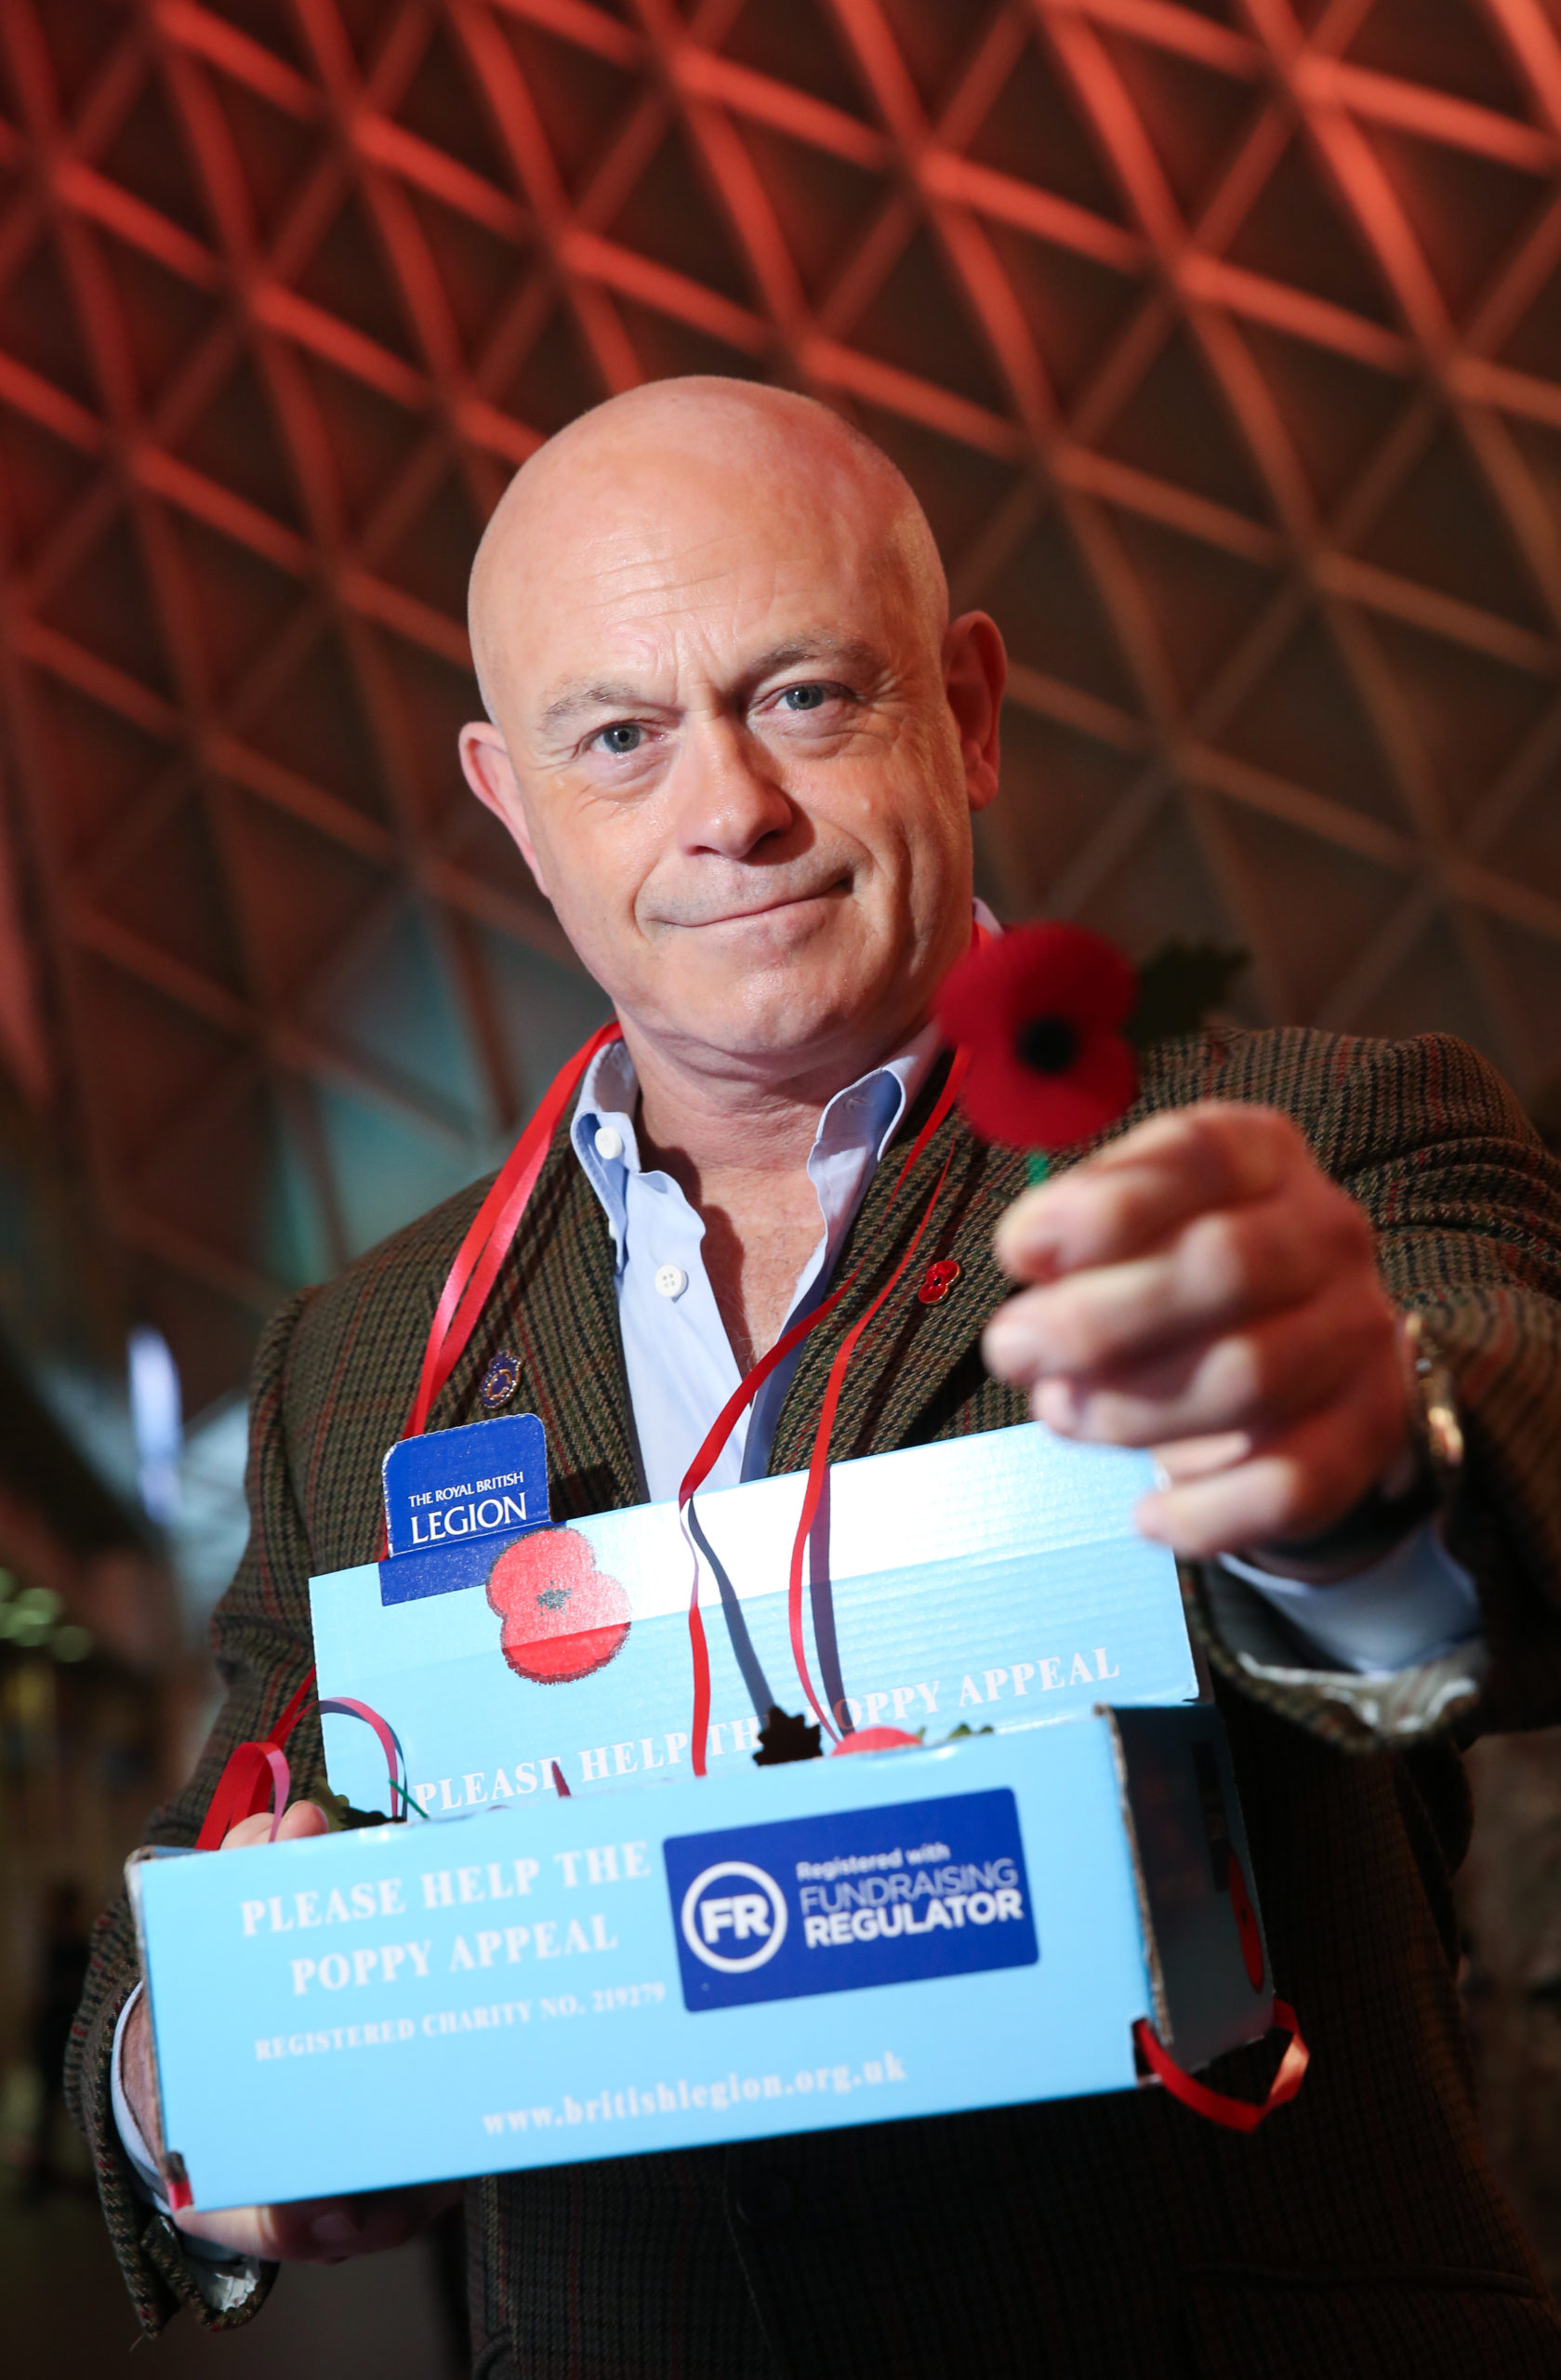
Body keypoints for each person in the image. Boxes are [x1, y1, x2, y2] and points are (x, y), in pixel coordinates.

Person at [69, 378, 1561, 2376]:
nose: (727, 812)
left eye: (801, 697)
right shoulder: (360, 1357)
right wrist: (203, 2085)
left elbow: (1515, 1480)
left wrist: (1364, 1447)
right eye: (619, 737)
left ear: (970, 704)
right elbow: (190, 1889)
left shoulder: (1309, 1143)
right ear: (512, 799)